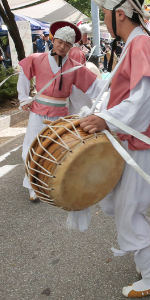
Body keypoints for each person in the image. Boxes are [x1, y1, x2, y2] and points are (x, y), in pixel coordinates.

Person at [79, 0, 150, 298]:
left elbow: (144, 98)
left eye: (104, 13)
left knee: (128, 210)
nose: (103, 19)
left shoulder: (141, 43)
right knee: (122, 205)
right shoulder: (136, 42)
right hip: (135, 136)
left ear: (119, 13)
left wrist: (106, 118)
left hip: (140, 138)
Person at [18, 21, 103, 202]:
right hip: (38, 110)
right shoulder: (36, 59)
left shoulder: (75, 67)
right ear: (53, 39)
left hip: (60, 113)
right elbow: (24, 74)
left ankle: (48, 183)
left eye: (67, 44)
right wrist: (23, 98)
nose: (62, 47)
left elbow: (95, 87)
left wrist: (116, 87)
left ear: (72, 46)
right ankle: (32, 186)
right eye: (59, 42)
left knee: (56, 149)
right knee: (32, 148)